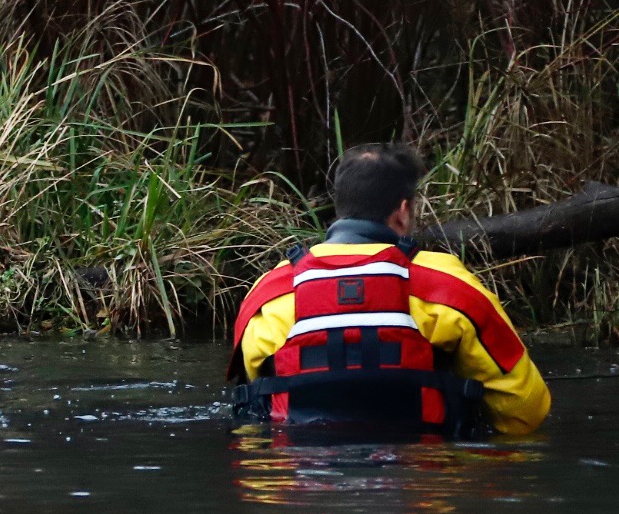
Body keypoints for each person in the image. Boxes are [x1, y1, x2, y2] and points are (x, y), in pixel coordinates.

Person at [230, 143, 551, 436]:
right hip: (422, 479)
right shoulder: (450, 285)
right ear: (402, 210)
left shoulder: (270, 292)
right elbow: (526, 409)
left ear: (340, 207)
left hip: (297, 485)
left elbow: (252, 406)